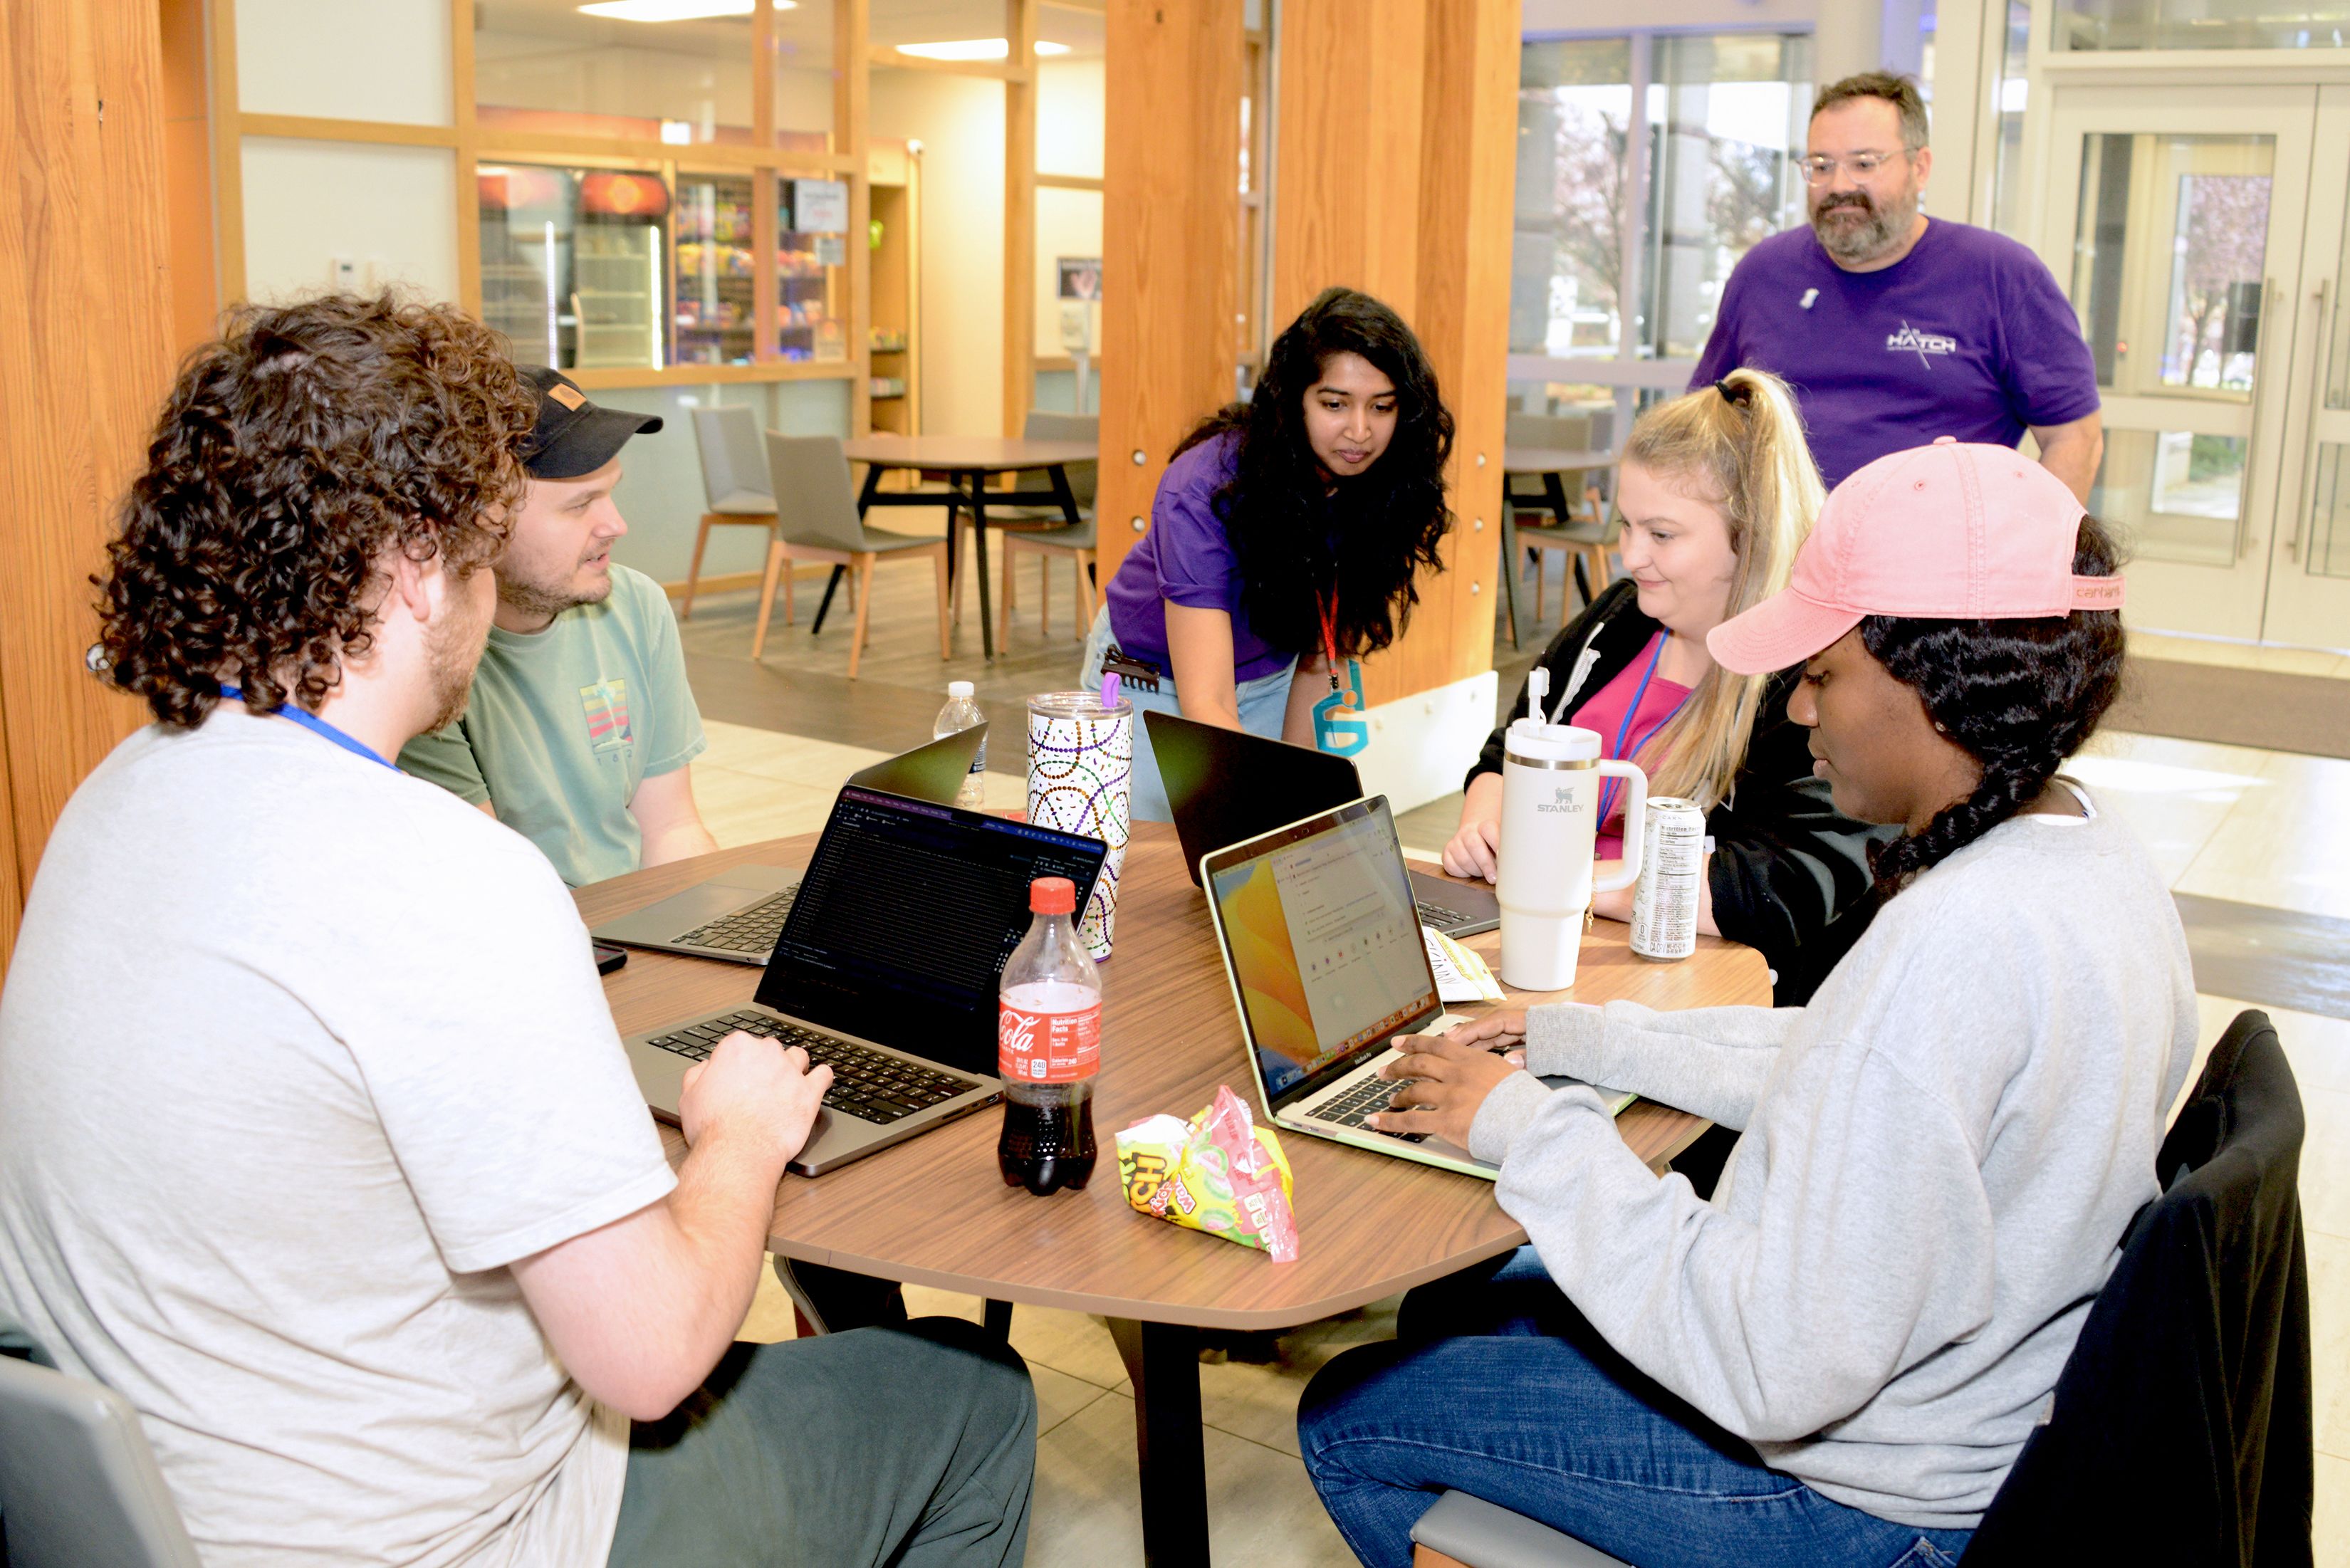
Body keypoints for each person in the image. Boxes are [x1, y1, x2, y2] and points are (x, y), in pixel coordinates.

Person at [0, 296, 1034, 1567]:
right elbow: (652, 1354)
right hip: (449, 1538)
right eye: (486, 550)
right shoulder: (445, 879)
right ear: (420, 566)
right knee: (976, 1399)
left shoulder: (107, 804)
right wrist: (740, 1139)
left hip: (167, 1502)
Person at [1296, 438, 2193, 1568]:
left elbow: (1770, 1364)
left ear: (1931, 683)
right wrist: (1585, 1039)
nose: (1802, 712)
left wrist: (1529, 1125)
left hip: (1859, 1494)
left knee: (1351, 1416)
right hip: (1980, 1415)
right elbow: (1849, 1057)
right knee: (1471, 1305)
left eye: (1821, 674)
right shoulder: (2082, 854)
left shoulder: (1953, 942)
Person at [1444, 368, 1889, 1003]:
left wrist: (1552, 880)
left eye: (1661, 534)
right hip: (1556, 945)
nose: (1631, 555)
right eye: (1626, 525)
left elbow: (1778, 891)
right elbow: (1507, 752)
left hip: (1697, 991)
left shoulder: (1813, 682)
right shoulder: (1619, 620)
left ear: (1750, 537)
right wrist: (1485, 831)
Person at [1080, 286, 1454, 821]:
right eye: (1334, 404)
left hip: (1267, 682)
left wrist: (1299, 807)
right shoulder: (1204, 489)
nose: (1360, 431)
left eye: (1382, 407)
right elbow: (1207, 703)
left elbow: (1321, 654)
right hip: (1152, 690)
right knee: (1150, 876)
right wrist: (1269, 807)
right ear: (1293, 400)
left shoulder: (1376, 487)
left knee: (1279, 838)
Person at [1691, 72, 2104, 499]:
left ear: (1919, 167)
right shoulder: (1762, 274)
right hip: (1779, 557)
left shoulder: (2002, 276)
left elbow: (2075, 438)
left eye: (1864, 164)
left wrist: (2024, 552)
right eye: (1821, 166)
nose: (1840, 186)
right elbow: (1704, 422)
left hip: (1938, 561)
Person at [400, 366, 719, 887]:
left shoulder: (637, 606)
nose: (616, 525)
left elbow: (672, 827)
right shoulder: (429, 652)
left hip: (633, 929)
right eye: (580, 505)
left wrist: (710, 935)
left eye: (610, 492)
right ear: (480, 520)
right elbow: (491, 887)